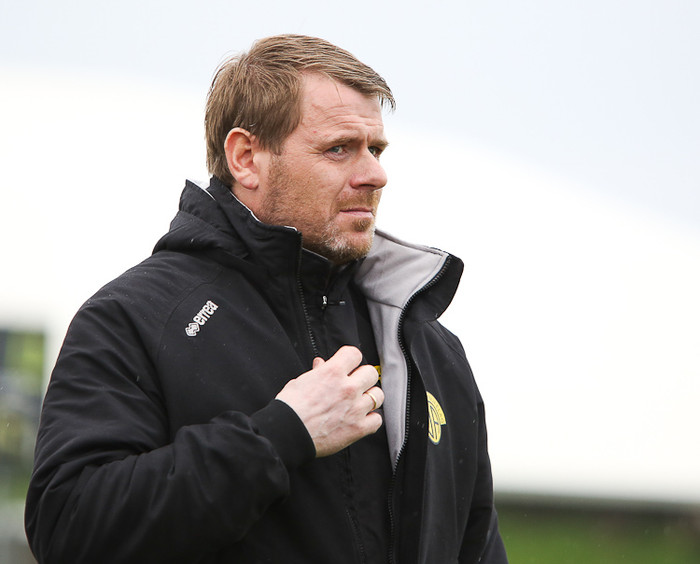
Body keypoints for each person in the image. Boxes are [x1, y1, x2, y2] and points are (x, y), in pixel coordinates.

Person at [25, 34, 508, 563]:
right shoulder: (135, 318)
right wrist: (283, 433)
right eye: (339, 148)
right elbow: (69, 527)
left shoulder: (429, 349)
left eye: (376, 149)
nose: (375, 175)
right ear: (246, 158)